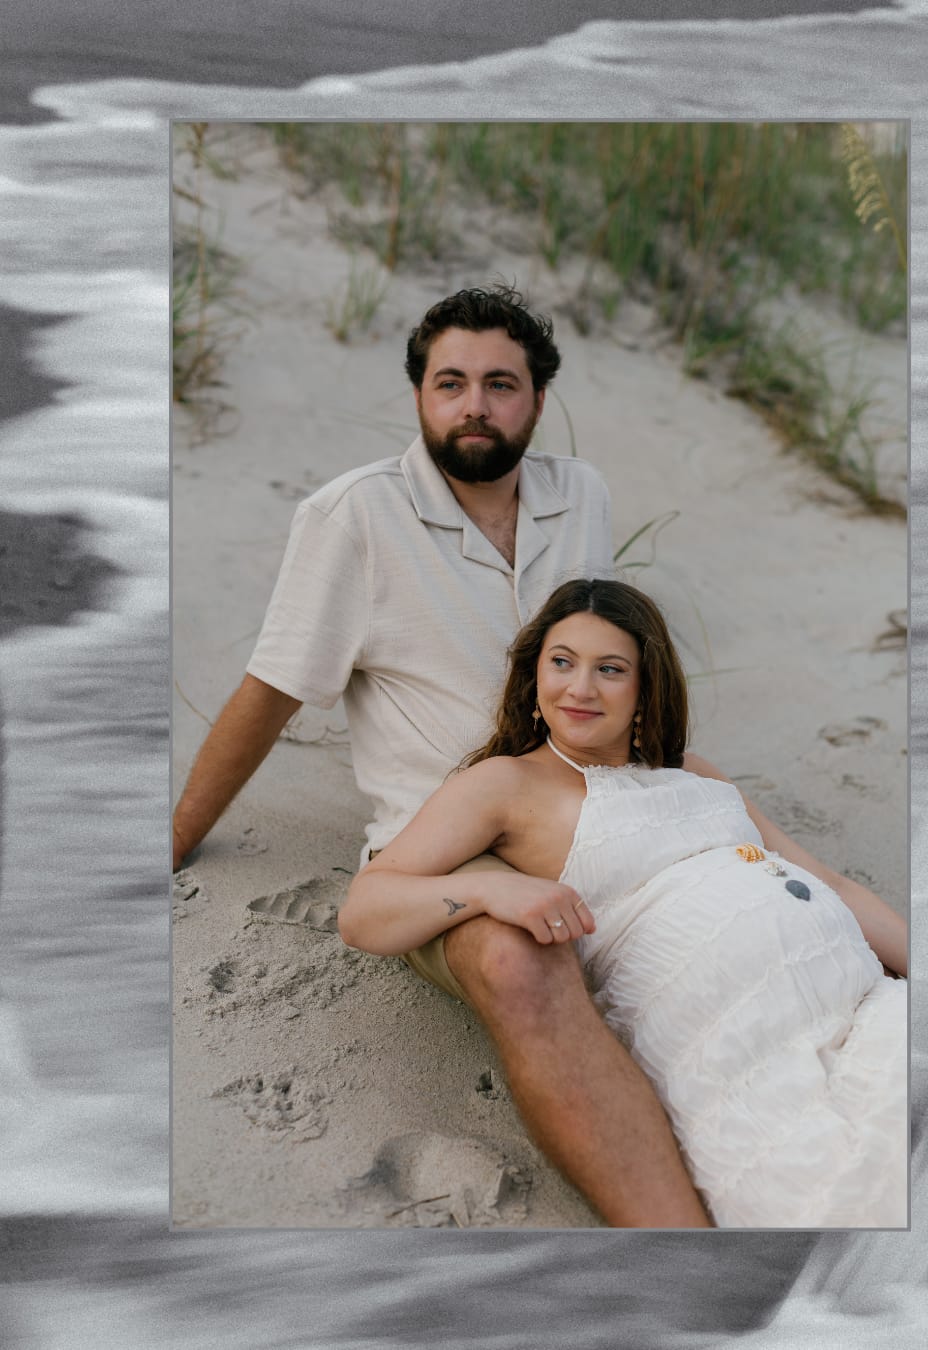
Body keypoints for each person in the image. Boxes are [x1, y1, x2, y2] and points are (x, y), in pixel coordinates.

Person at [172, 284, 713, 1228]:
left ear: (536, 400)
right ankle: (669, 1236)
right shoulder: (354, 516)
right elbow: (273, 690)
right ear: (418, 395)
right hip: (448, 851)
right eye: (449, 382)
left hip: (593, 812)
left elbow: (607, 672)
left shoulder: (578, 494)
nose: (474, 406)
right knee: (519, 963)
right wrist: (173, 838)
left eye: (500, 385)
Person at [339, 577, 909, 1228]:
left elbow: (834, 886)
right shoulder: (504, 784)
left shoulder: (695, 773)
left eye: (609, 669)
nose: (580, 689)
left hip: (867, 1006)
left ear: (645, 684)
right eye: (562, 663)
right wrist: (486, 886)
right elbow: (364, 911)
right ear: (535, 674)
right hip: (742, 1052)